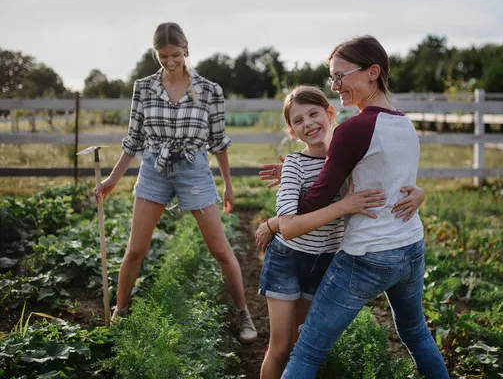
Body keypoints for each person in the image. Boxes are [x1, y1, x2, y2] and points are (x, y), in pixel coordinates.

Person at [280, 36, 450, 378]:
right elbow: (397, 182)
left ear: (373, 72)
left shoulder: (353, 128)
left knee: (308, 350)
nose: (334, 85)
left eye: (341, 75)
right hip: (410, 248)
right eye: (332, 77)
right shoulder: (404, 122)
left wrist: (290, 180)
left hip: (367, 256)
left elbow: (317, 197)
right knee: (415, 332)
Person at [93, 22, 257, 344]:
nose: (170, 62)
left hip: (194, 168)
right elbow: (134, 139)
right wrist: (113, 178)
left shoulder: (210, 90)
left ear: (186, 49)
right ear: (156, 52)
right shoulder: (144, 87)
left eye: (176, 55)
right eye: (163, 55)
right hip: (154, 166)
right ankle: (120, 312)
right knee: (136, 249)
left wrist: (227, 184)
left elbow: (219, 143)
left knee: (220, 250)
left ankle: (243, 314)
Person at [254, 85, 426, 378]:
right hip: (288, 259)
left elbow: (388, 179)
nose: (308, 123)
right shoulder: (294, 165)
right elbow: (290, 226)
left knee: (302, 344)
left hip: (325, 261)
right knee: (280, 347)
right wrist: (343, 206)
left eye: (313, 114)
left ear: (330, 113)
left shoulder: (351, 159)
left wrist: (419, 192)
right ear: (291, 131)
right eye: (298, 121)